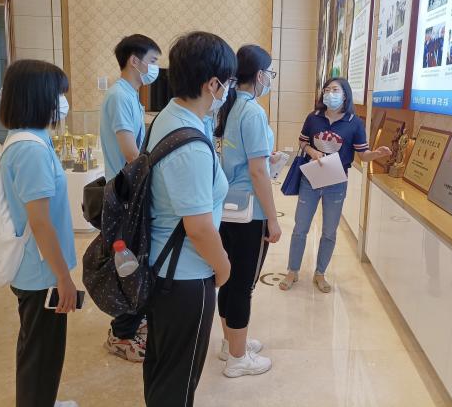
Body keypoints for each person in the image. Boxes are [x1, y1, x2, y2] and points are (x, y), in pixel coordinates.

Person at [143, 31, 233, 407]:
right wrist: (223, 266)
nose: (227, 90)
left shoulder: (169, 116)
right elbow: (198, 227)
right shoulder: (190, 144)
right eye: (227, 83)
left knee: (163, 367)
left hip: (163, 267)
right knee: (179, 380)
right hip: (184, 279)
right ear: (212, 84)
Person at [0, 60, 78, 407]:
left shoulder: (30, 139)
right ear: (38, 96)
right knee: (41, 352)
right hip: (41, 272)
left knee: (40, 346)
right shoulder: (30, 149)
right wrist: (63, 277)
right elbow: (40, 222)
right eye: (58, 93)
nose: (63, 101)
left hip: (39, 267)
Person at [279, 78, 392, 293]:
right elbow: (303, 141)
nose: (330, 93)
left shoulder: (354, 123)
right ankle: (292, 271)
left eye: (335, 90)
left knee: (329, 231)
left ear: (345, 95)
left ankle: (320, 273)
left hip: (336, 182)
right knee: (300, 227)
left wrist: (376, 154)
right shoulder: (313, 117)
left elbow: (363, 154)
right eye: (327, 89)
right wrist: (312, 152)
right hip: (311, 178)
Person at [213, 45, 281, 378]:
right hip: (249, 213)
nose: (269, 79)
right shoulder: (252, 111)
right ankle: (238, 359)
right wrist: (273, 218)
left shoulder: (226, 106)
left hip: (225, 207)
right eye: (269, 72)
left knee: (228, 279)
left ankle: (231, 343)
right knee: (242, 284)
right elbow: (257, 172)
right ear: (259, 75)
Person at [100, 34, 161, 362]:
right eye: (152, 60)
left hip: (128, 193)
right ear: (134, 61)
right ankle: (121, 335)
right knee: (129, 265)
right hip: (124, 197)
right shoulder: (120, 96)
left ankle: (132, 322)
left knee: (136, 263)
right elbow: (130, 153)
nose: (154, 68)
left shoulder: (129, 96)